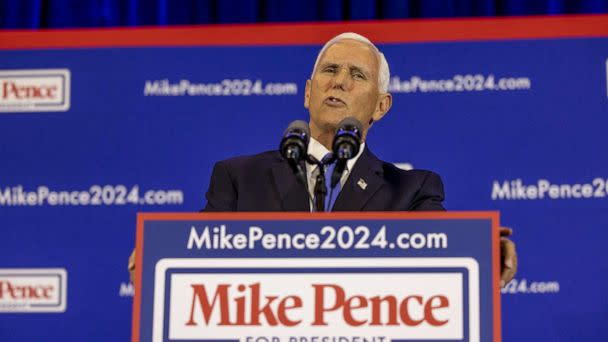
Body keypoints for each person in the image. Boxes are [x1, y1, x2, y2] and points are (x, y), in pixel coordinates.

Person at [129, 32, 517, 286]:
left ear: (380, 107)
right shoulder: (238, 177)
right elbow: (195, 255)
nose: (339, 82)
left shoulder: (412, 190)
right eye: (329, 71)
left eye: (356, 75)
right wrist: (156, 260)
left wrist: (484, 258)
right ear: (308, 92)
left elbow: (442, 252)